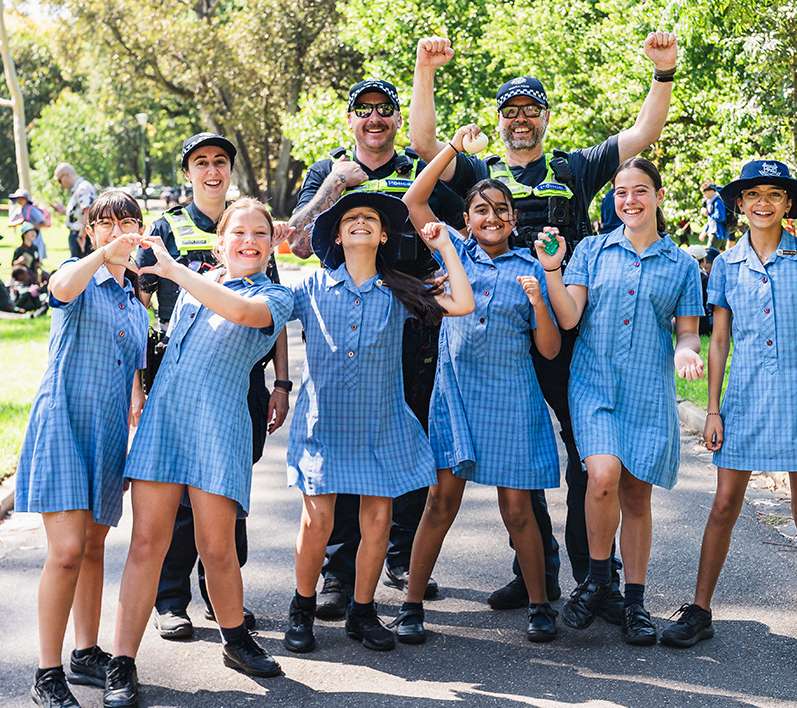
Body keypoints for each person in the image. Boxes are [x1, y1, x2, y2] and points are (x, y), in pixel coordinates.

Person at [410, 31, 678, 615]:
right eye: (511, 113)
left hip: (563, 328)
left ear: (545, 117)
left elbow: (642, 135)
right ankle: (535, 573)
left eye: (531, 111)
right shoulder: (479, 172)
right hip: (500, 338)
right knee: (519, 461)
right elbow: (424, 142)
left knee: (585, 453)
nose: (521, 120)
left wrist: (663, 71)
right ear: (500, 121)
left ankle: (594, 578)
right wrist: (425, 71)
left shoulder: (574, 167)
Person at [105, 198, 293, 708]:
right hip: (165, 426)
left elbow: (239, 311)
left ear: (271, 243)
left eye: (260, 232)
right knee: (146, 543)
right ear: (220, 241)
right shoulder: (193, 282)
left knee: (217, 548)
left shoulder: (276, 296)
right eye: (239, 231)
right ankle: (121, 661)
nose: (249, 240)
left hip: (220, 427)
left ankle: (234, 639)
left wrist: (176, 273)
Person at [285, 79, 464, 617]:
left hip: (409, 316)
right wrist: (335, 187)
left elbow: (464, 222)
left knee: (402, 445)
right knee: (338, 448)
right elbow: (293, 239)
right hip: (342, 322)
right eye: (364, 110)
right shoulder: (328, 170)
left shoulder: (418, 166)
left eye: (386, 110)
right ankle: (338, 573)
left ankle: (399, 555)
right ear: (351, 120)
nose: (376, 118)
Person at [660, 160, 797, 664]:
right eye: (753, 195)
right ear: (739, 205)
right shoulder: (724, 265)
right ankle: (700, 610)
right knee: (724, 505)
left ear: (788, 204)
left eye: (774, 194)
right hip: (742, 398)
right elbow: (718, 340)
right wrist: (713, 409)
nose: (763, 202)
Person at [388, 125, 562, 645]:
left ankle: (539, 605)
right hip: (456, 395)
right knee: (440, 502)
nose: (492, 217)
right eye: (481, 210)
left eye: (501, 209)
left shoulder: (534, 267)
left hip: (514, 396)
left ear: (513, 218)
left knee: (518, 508)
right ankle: (413, 605)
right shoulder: (452, 251)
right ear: (466, 219)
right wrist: (453, 150)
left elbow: (550, 350)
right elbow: (414, 199)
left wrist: (537, 303)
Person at [535, 157, 704, 645]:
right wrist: (551, 270)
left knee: (636, 495)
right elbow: (568, 317)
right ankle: (598, 578)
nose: (628, 200)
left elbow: (688, 333)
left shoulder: (682, 265)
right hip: (594, 386)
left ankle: (634, 602)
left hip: (649, 390)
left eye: (639, 191)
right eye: (621, 191)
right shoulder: (591, 250)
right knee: (602, 477)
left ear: (658, 196)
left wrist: (685, 356)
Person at [135, 133, 290, 641]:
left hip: (240, 377)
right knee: (176, 502)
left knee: (225, 493)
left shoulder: (253, 224)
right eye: (200, 163)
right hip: (176, 373)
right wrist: (139, 380)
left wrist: (280, 382)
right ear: (188, 173)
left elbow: (272, 313)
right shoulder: (167, 227)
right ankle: (171, 599)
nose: (211, 170)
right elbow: (139, 302)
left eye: (220, 161)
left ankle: (224, 599)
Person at [14, 190, 149, 708]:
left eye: (128, 221)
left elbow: (133, 369)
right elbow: (60, 286)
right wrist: (108, 250)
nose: (118, 229)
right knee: (67, 550)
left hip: (109, 434)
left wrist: (136, 394)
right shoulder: (78, 274)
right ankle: (46, 675)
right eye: (106, 223)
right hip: (64, 425)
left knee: (93, 547)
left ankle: (85, 653)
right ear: (90, 232)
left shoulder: (132, 299)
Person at [53, 163, 98, 259]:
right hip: (79, 236)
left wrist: (82, 236)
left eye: (59, 181)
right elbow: (80, 214)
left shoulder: (83, 188)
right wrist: (64, 211)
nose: (60, 185)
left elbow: (88, 211)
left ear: (66, 175)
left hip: (82, 238)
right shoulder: (78, 189)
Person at [7, 189, 49, 261]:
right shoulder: (19, 210)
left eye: (21, 198)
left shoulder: (32, 209)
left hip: (35, 238)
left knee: (36, 259)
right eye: (17, 198)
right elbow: (9, 223)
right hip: (26, 239)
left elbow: (45, 223)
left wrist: (31, 226)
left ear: (26, 199)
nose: (19, 201)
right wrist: (19, 222)